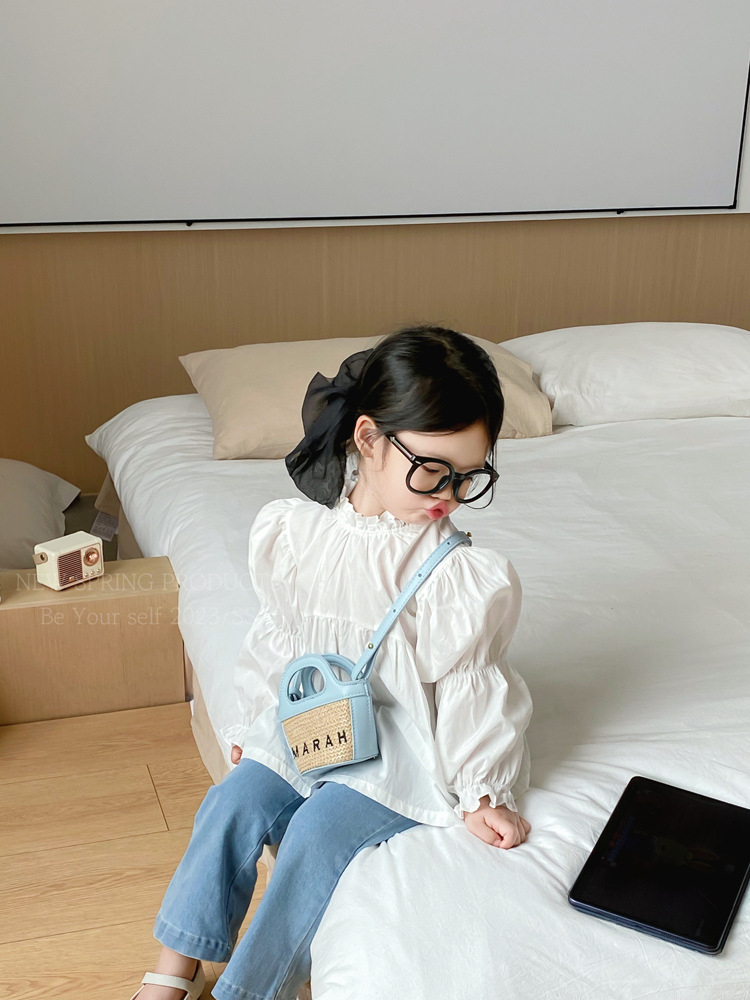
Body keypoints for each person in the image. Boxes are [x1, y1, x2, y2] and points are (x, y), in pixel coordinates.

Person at [130, 325, 533, 1000]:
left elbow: (472, 685)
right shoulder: (297, 534)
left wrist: (482, 790)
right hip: (312, 718)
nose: (449, 493)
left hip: (400, 744)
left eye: (470, 476)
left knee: (316, 833)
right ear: (368, 439)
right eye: (433, 470)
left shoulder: (457, 574)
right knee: (234, 801)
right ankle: (175, 967)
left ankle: (251, 990)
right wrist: (256, 723)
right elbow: (279, 637)